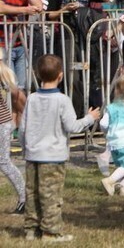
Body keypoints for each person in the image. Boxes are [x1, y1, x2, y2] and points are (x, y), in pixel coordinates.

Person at [19, 55, 100, 242]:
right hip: (53, 157)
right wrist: (89, 118)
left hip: (33, 155)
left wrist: (25, 148)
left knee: (32, 193)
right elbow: (72, 126)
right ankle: (50, 231)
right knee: (51, 194)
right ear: (61, 76)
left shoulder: (31, 99)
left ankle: (31, 229)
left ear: (38, 75)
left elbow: (23, 128)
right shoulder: (62, 100)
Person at [0, 0, 43, 90]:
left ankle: (18, 112)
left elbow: (39, 7)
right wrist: (24, 9)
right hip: (3, 43)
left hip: (21, 42)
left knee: (22, 87)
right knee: (10, 87)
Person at [99, 73, 124, 197]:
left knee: (120, 166)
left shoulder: (111, 108)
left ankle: (123, 190)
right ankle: (110, 181)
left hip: (113, 143)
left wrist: (107, 133)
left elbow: (103, 124)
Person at [0, 55, 25, 215]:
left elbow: (20, 98)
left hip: (1, 124)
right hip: (4, 123)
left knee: (4, 162)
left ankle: (25, 198)